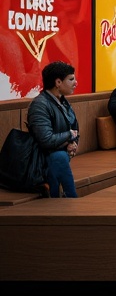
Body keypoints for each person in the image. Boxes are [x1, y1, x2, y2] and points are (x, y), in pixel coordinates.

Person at [27, 61, 80, 198]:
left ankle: (62, 198)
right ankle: (71, 198)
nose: (76, 83)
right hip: (40, 159)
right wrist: (68, 136)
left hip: (58, 154)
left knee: (60, 157)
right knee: (59, 157)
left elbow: (74, 128)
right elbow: (45, 140)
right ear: (58, 82)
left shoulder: (62, 101)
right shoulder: (39, 105)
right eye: (71, 79)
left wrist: (72, 143)